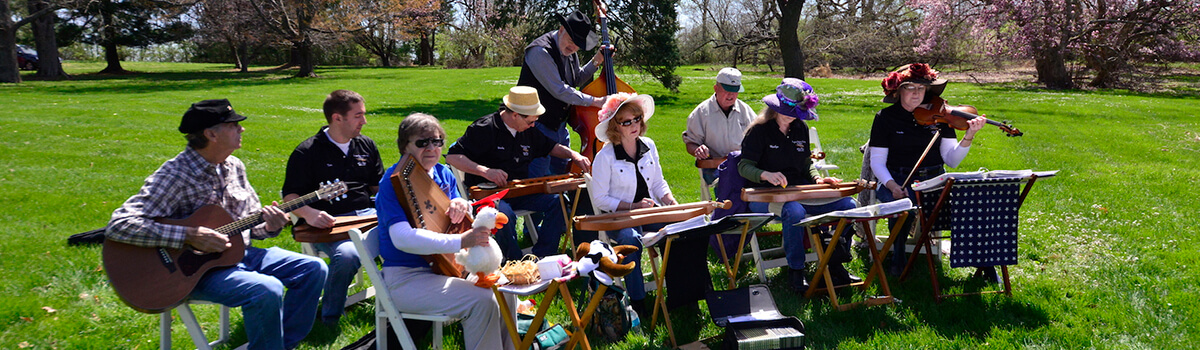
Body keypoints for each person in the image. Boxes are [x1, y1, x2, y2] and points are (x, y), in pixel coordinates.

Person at [106, 99, 328, 350]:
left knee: (313, 268)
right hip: (193, 272)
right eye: (233, 125)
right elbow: (120, 224)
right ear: (211, 134)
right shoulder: (175, 174)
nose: (241, 129)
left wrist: (271, 225)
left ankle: (283, 344)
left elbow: (252, 225)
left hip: (241, 253)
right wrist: (188, 235)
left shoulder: (235, 166)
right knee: (266, 289)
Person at [376, 113, 515, 350]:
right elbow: (402, 239)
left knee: (504, 286)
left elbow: (456, 217)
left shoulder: (443, 173)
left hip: (448, 268)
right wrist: (460, 241)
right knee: (481, 301)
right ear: (404, 146)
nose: (431, 147)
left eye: (437, 141)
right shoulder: (392, 183)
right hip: (406, 278)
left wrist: (463, 204)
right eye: (422, 142)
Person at [867, 63, 996, 282]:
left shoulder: (941, 116)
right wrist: (892, 185)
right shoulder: (885, 118)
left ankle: (984, 263)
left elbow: (952, 160)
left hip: (936, 178)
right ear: (898, 91)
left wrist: (969, 136)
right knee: (902, 208)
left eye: (922, 88)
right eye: (910, 87)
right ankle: (899, 259)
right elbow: (877, 161)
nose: (917, 93)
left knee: (969, 207)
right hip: (898, 177)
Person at [738, 79, 860, 293]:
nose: (791, 115)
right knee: (794, 211)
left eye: (795, 112)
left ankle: (833, 262)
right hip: (764, 196)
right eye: (786, 110)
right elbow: (744, 167)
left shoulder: (800, 128)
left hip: (799, 192)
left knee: (850, 205)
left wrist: (818, 180)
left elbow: (806, 164)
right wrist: (765, 174)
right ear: (774, 108)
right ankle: (796, 271)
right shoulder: (758, 131)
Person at [446, 86, 592, 261]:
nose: (532, 126)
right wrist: (485, 171)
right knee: (503, 215)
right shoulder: (484, 129)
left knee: (558, 202)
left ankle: (543, 256)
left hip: (519, 191)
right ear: (515, 115)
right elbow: (453, 156)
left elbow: (550, 146)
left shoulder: (528, 130)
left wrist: (573, 154)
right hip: (489, 195)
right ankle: (514, 263)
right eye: (530, 122)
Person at [280, 89, 383, 325]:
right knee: (347, 255)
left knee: (405, 237)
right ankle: (330, 316)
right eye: (358, 116)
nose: (364, 121)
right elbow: (290, 196)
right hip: (328, 225)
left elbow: (378, 187)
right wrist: (309, 213)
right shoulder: (307, 152)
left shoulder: (366, 145)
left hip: (368, 216)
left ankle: (401, 301)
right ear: (337, 118)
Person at [588, 92, 678, 318]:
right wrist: (633, 205)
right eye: (626, 122)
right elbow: (599, 198)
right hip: (619, 218)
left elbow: (658, 182)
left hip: (649, 213)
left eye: (637, 119)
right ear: (614, 126)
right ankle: (639, 304)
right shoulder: (605, 156)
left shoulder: (649, 145)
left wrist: (669, 200)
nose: (633, 125)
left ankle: (682, 293)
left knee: (682, 229)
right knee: (630, 240)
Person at [518, 10, 610, 178]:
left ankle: (560, 205)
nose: (573, 46)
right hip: (535, 126)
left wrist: (597, 60)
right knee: (538, 178)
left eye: (578, 44)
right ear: (561, 29)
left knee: (560, 176)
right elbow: (559, 89)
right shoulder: (540, 51)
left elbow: (576, 79)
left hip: (559, 126)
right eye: (571, 40)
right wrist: (596, 101)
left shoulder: (570, 52)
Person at [682, 67, 755, 185]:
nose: (731, 95)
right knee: (729, 184)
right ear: (716, 88)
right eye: (727, 90)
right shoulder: (701, 113)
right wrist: (698, 150)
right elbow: (690, 143)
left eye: (735, 91)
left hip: (743, 166)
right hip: (714, 167)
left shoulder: (746, 111)